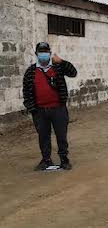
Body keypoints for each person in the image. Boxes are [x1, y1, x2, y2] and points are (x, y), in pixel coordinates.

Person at [23, 42, 78, 170]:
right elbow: (26, 91)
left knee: (61, 135)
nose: (43, 54)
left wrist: (62, 61)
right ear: (36, 54)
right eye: (41, 52)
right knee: (43, 137)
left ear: (49, 53)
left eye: (46, 52)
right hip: (39, 111)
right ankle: (46, 160)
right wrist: (32, 109)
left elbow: (73, 72)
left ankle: (64, 159)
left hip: (58, 109)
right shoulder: (30, 71)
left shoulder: (58, 67)